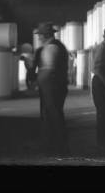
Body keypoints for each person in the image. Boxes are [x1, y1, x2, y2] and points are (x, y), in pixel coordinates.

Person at [34, 22, 69, 154]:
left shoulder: (51, 48)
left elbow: (48, 71)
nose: (38, 38)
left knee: (53, 116)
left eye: (40, 35)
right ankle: (55, 145)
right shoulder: (56, 46)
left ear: (45, 35)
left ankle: (58, 147)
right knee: (53, 115)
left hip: (52, 87)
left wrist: (38, 81)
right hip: (56, 86)